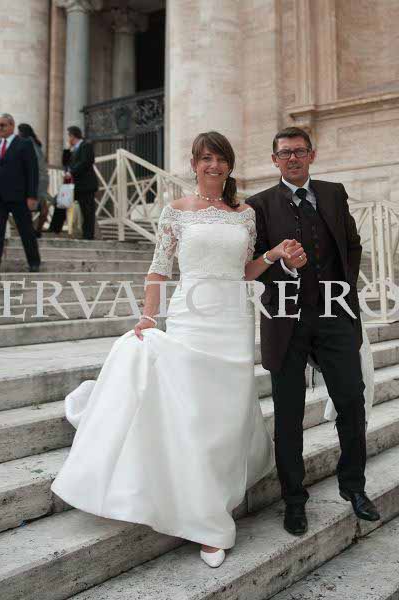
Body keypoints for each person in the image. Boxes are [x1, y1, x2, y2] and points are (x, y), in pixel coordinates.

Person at [51, 131, 304, 568]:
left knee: (226, 414)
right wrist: (149, 316)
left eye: (220, 158)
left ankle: (217, 491)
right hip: (191, 318)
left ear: (229, 165)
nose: (213, 166)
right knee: (194, 413)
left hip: (232, 320)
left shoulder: (245, 214)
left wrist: (273, 255)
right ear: (194, 164)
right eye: (206, 158)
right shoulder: (176, 211)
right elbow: (158, 269)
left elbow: (244, 270)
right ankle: (204, 515)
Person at [246, 126, 380, 537]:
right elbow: (253, 264)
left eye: (299, 151)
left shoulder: (334, 194)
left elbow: (352, 245)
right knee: (288, 414)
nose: (293, 158)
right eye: (285, 153)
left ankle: (353, 486)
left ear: (312, 155)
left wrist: (342, 288)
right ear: (274, 160)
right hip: (285, 320)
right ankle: (294, 500)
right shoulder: (259, 205)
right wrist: (284, 267)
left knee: (351, 400)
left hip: (334, 315)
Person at [0, 113, 40, 272]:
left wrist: (32, 196)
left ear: (12, 125)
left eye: (2, 125)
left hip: (19, 197)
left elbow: (32, 171)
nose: (0, 128)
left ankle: (34, 262)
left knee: (26, 231)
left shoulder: (24, 144)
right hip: (0, 197)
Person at [64, 126, 98, 240]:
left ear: (72, 136)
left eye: (68, 136)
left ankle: (88, 235)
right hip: (76, 185)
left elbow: (85, 162)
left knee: (87, 211)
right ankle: (55, 227)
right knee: (61, 202)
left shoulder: (86, 145)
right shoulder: (73, 149)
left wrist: (72, 172)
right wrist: (67, 150)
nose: (68, 138)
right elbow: (65, 163)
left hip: (86, 185)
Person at [18, 123, 49, 238]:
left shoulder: (26, 143)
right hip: (43, 178)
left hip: (34, 178)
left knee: (28, 204)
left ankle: (30, 230)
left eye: (19, 132)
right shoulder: (36, 143)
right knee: (42, 204)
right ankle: (38, 230)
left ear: (22, 133)